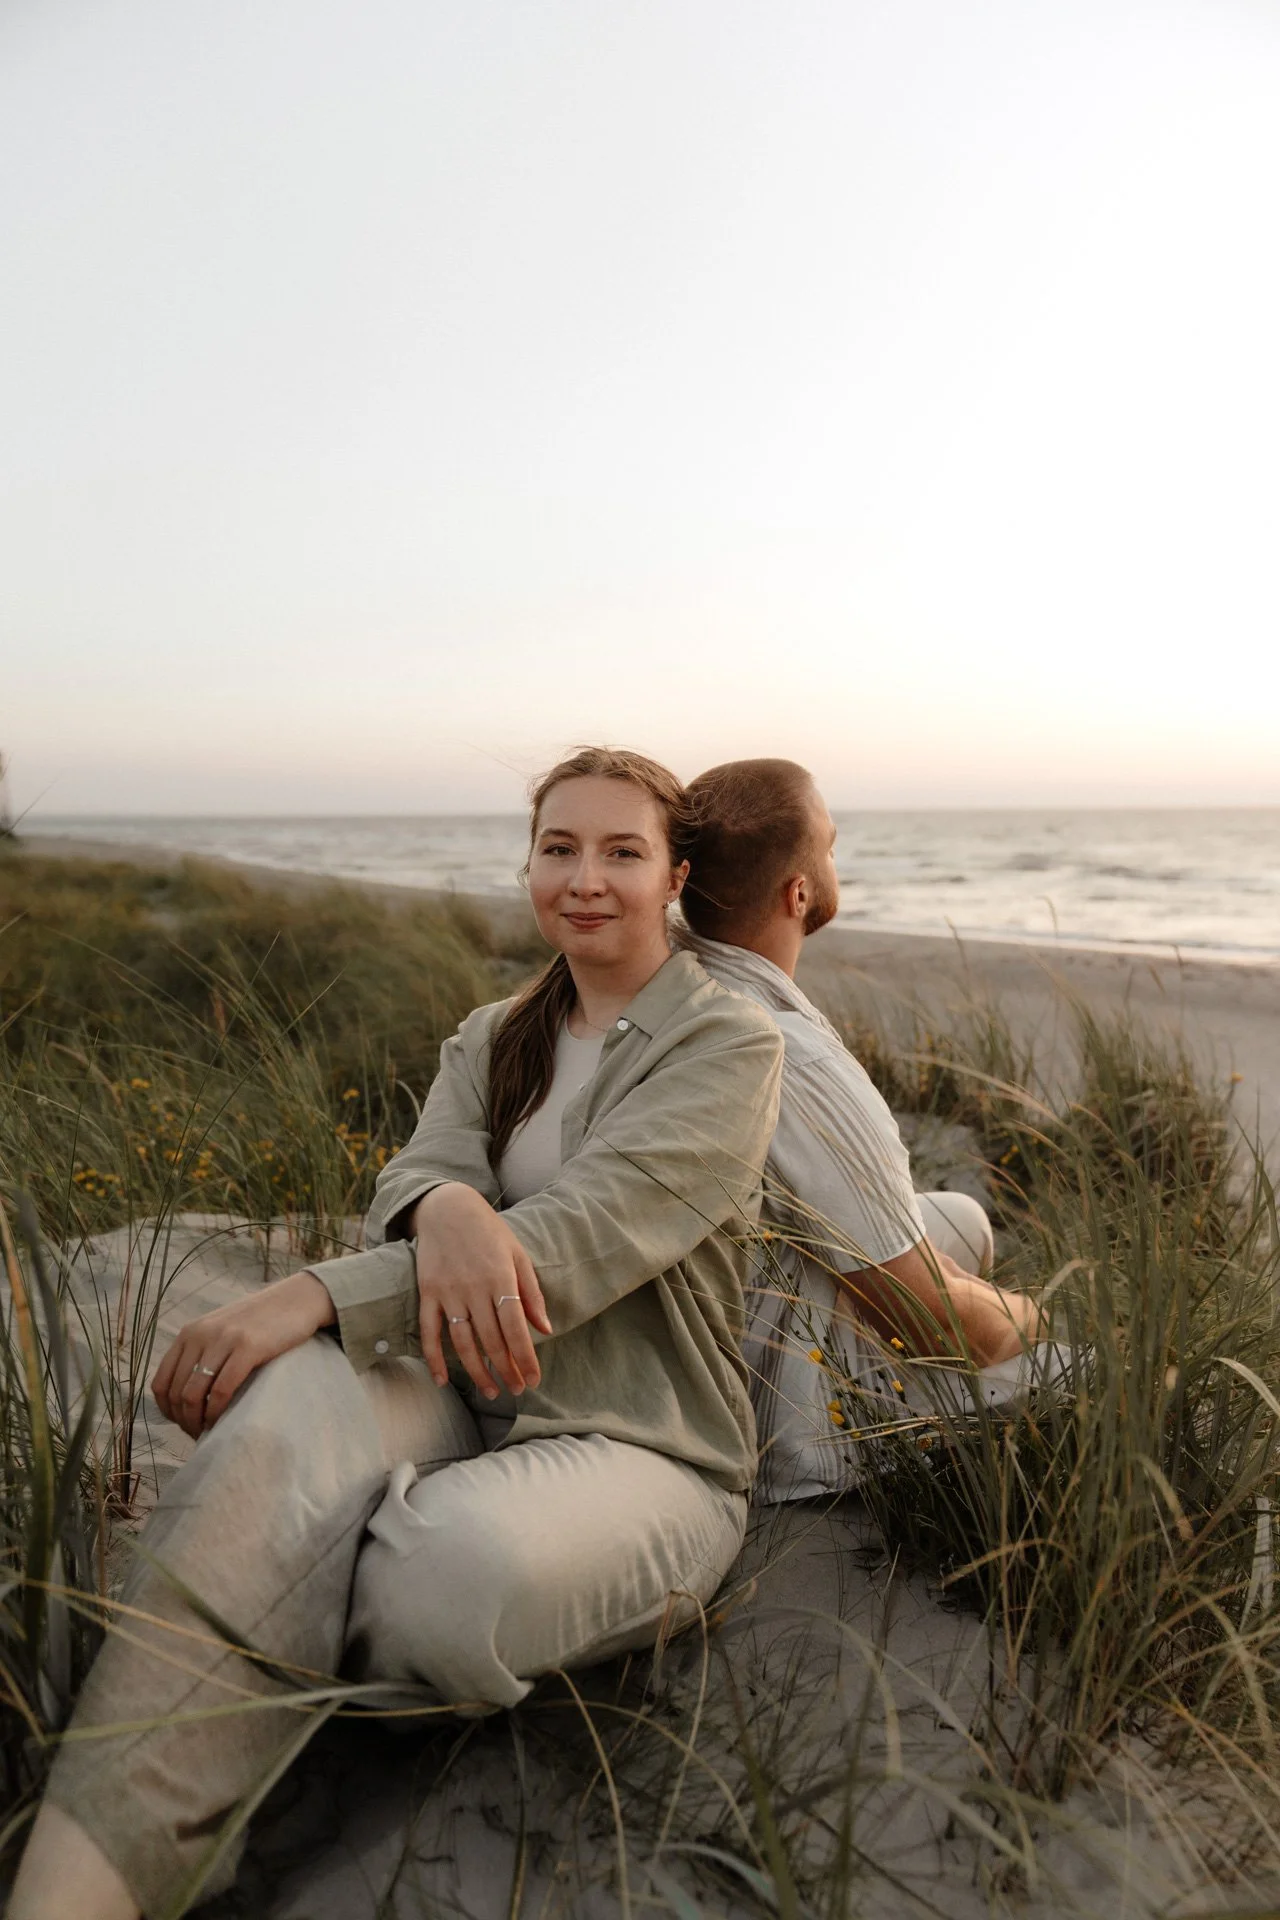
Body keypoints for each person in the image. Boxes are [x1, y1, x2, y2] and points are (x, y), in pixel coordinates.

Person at [11, 748, 784, 1920]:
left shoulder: (726, 1046)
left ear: (671, 873)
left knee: (436, 1585)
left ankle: (313, 1574)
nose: (585, 878)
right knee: (272, 1434)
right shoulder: (492, 1033)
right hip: (456, 1390)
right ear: (528, 863)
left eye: (621, 851)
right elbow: (421, 1168)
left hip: (645, 1445)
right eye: (558, 848)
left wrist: (314, 1292)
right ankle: (75, 1891)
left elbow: (574, 1245)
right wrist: (452, 1203)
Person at [678, 758, 1045, 1503]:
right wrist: (1037, 1317)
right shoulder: (787, 1050)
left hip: (736, 1291)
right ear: (800, 890)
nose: (835, 858)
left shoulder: (681, 971)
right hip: (796, 1411)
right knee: (1103, 1370)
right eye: (831, 844)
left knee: (962, 1222)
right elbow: (935, 1319)